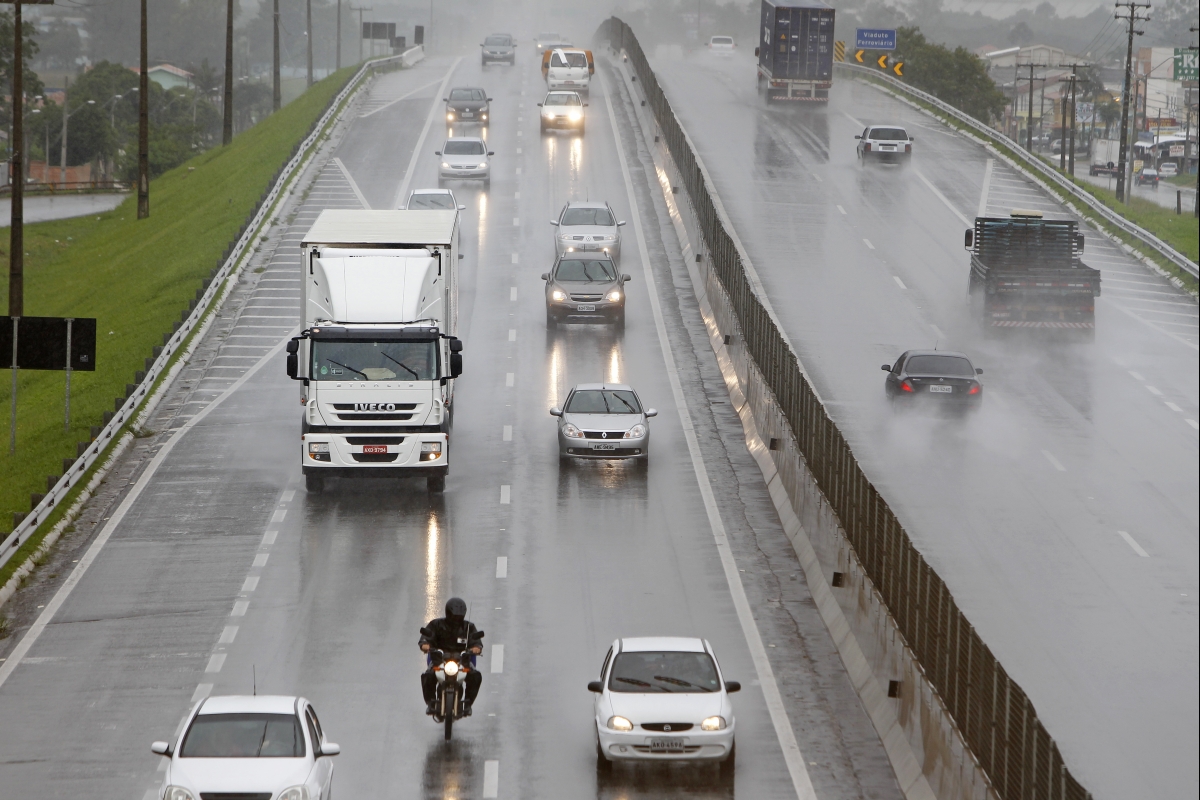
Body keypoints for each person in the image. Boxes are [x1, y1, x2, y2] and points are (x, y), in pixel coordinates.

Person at [420, 597, 483, 715]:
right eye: (454, 615)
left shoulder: (468, 627)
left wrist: (476, 647)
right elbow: (426, 636)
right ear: (448, 613)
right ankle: (430, 703)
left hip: (462, 660)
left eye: (459, 616)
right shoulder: (436, 624)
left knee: (475, 676)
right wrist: (425, 644)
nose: (456, 618)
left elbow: (476, 640)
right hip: (440, 659)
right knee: (428, 676)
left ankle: (468, 704)